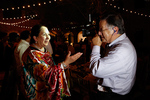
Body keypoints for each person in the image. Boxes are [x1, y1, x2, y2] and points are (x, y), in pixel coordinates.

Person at [22, 24, 83, 100]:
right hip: (39, 95)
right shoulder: (31, 54)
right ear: (35, 38)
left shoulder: (44, 51)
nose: (48, 37)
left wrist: (63, 66)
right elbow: (46, 74)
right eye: (44, 34)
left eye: (48, 34)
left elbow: (51, 67)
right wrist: (64, 64)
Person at [89, 12, 137, 100]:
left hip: (113, 96)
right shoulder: (119, 43)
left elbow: (96, 69)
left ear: (115, 30)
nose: (99, 33)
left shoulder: (121, 50)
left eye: (101, 30)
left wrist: (96, 46)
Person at [14, 30, 31, 100]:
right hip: (23, 73)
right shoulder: (23, 46)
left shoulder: (24, 44)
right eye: (30, 35)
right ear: (28, 37)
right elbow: (23, 61)